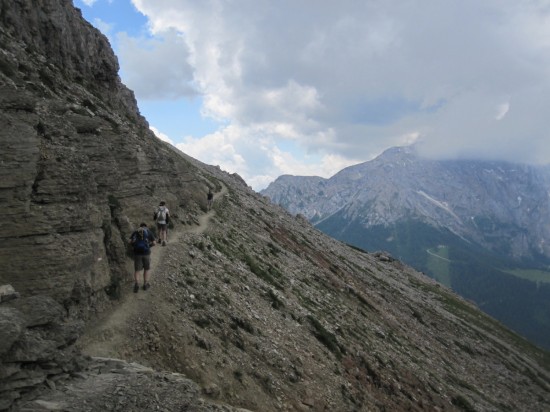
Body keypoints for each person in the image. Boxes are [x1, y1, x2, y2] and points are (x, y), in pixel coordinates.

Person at [129, 222, 156, 293]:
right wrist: (148, 246)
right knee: (146, 269)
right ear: (146, 226)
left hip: (137, 254)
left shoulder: (135, 231)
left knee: (137, 270)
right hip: (146, 253)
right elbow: (154, 243)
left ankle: (136, 284)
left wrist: (134, 246)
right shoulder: (148, 231)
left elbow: (130, 242)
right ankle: (145, 284)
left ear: (140, 226)